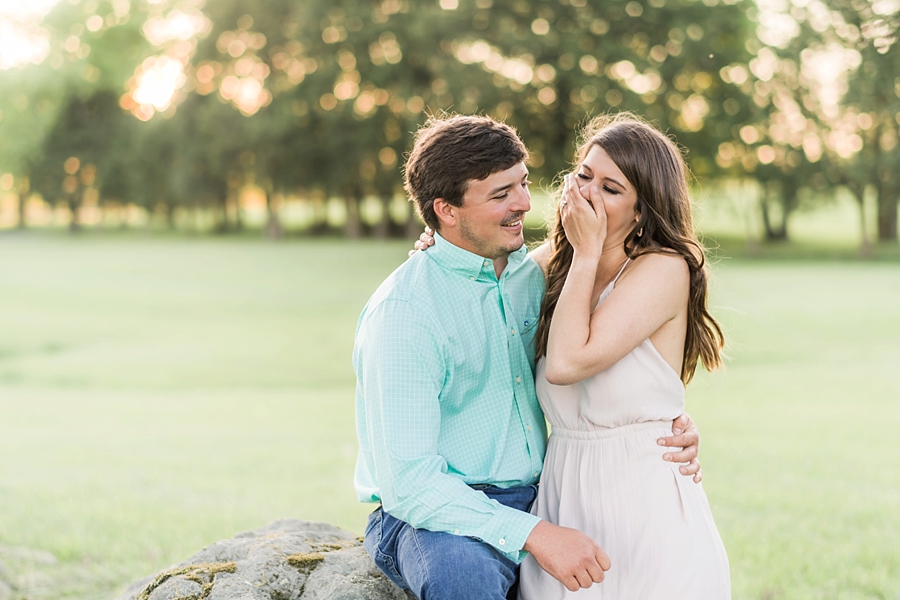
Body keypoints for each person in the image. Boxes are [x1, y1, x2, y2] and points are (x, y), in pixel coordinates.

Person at [353, 114, 702, 600]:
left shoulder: (534, 276)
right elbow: (410, 484)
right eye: (501, 194)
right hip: (444, 508)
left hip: (550, 495)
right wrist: (536, 534)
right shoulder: (408, 311)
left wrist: (671, 420)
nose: (523, 204)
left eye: (523, 184)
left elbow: (618, 365)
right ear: (445, 211)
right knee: (465, 579)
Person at [517, 113, 730, 598]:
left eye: (612, 188)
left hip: (644, 504)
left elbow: (568, 364)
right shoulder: (551, 264)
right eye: (585, 176)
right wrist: (433, 246)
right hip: (563, 502)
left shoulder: (664, 269)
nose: (589, 193)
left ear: (642, 210)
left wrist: (587, 254)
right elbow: (477, 292)